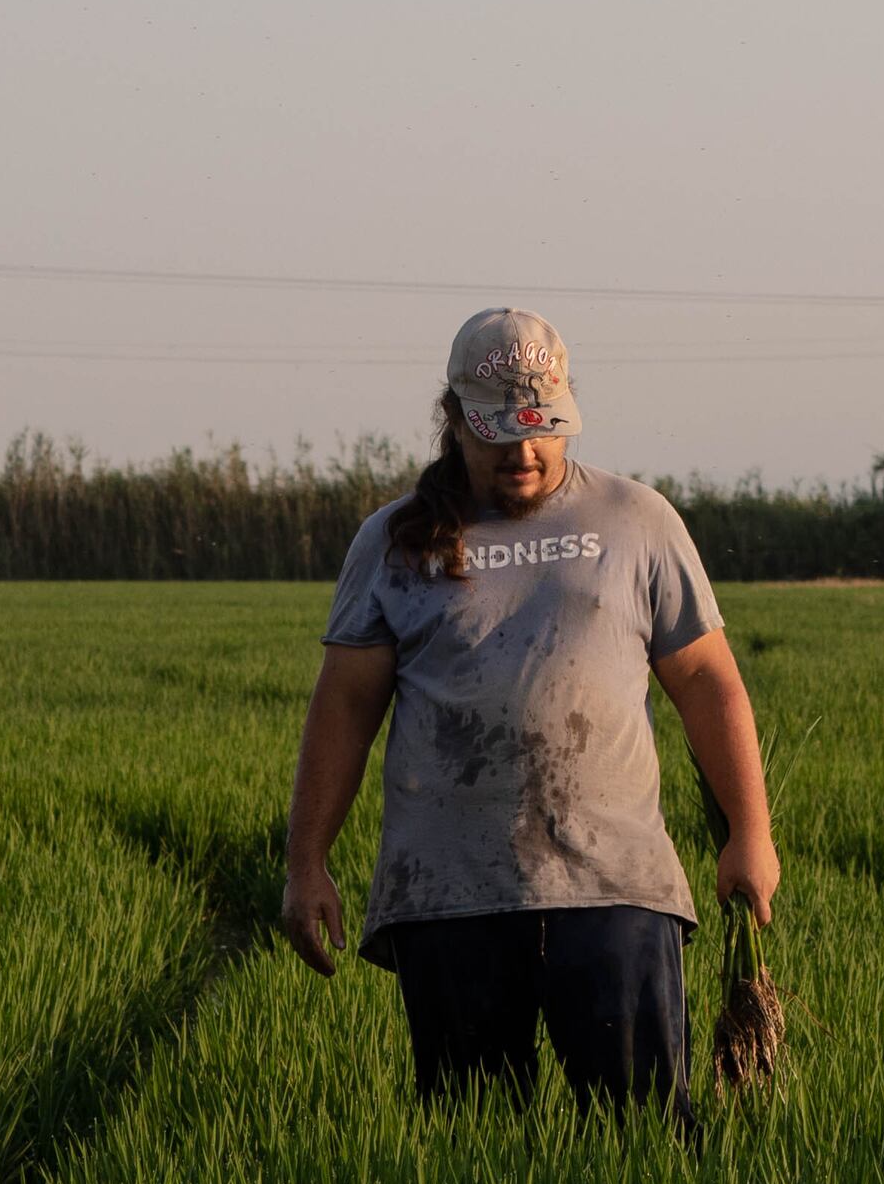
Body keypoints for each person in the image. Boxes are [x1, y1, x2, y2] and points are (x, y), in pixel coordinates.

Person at [279, 307, 777, 1103]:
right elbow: (343, 705)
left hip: (616, 886)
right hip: (448, 894)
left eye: (543, 426)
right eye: (498, 430)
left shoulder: (636, 521)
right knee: (478, 1155)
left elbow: (710, 683)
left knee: (641, 1139)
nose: (525, 450)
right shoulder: (394, 541)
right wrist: (307, 863)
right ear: (453, 420)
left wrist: (749, 835)